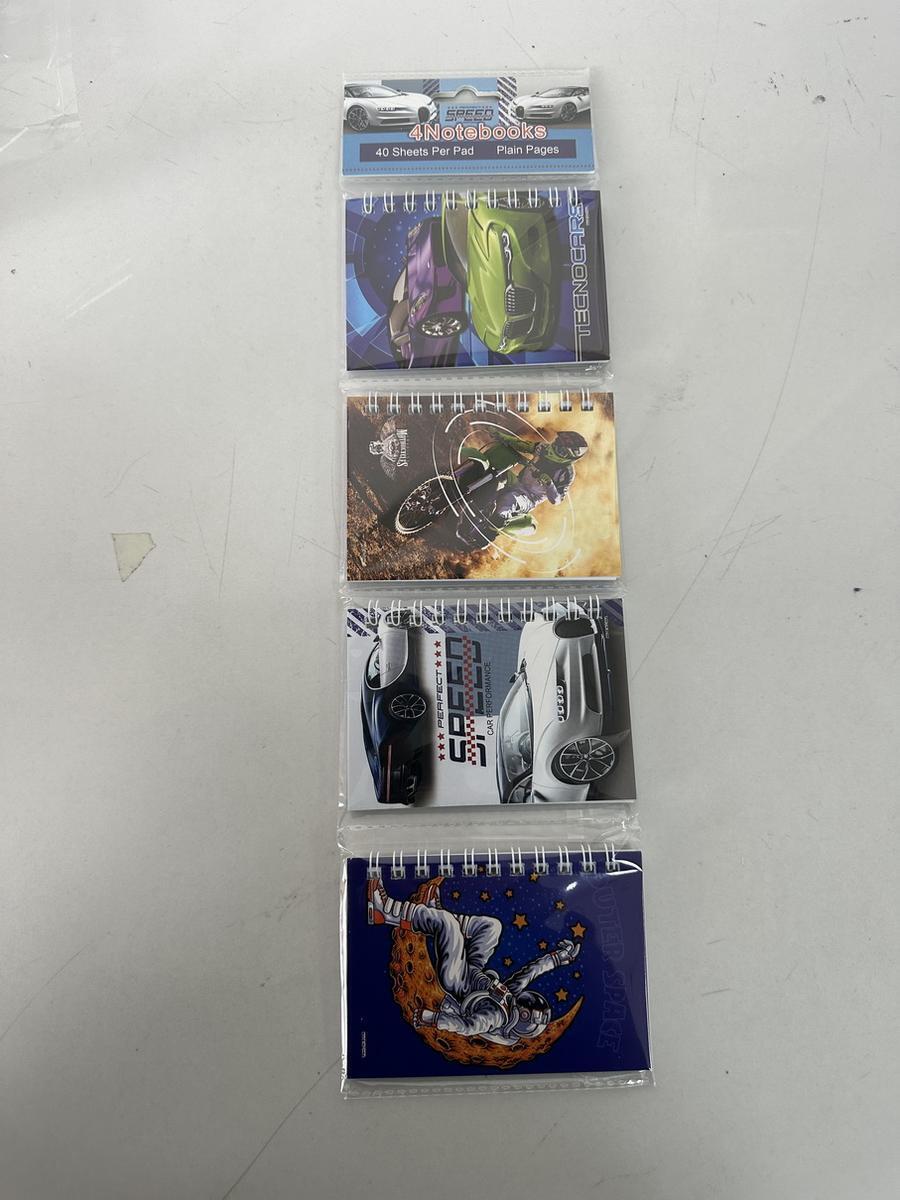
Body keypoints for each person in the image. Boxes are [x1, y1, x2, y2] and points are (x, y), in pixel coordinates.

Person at [368, 876, 580, 1044]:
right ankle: (434, 913)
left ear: (522, 1019)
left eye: (528, 1011)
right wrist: (557, 958)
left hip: (456, 979)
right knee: (491, 927)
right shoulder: (510, 1001)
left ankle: (385, 912)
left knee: (447, 924)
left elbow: (467, 1026)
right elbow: (530, 973)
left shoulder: (495, 1016)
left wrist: (434, 1019)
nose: (527, 1002)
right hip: (473, 969)